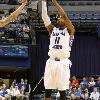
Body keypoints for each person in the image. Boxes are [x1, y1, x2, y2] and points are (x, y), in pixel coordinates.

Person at [42, 0, 75, 100]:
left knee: (62, 90)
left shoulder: (70, 30)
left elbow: (64, 16)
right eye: (59, 18)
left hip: (63, 62)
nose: (60, 19)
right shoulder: (52, 29)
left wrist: (55, 2)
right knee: (48, 89)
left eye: (61, 18)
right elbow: (44, 17)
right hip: (51, 61)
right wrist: (43, 2)